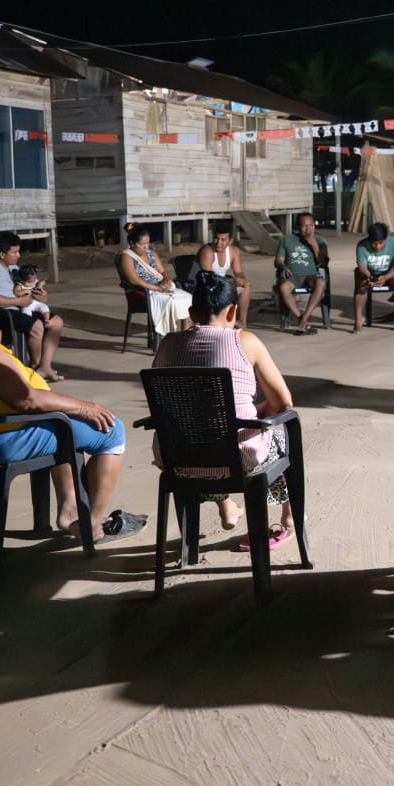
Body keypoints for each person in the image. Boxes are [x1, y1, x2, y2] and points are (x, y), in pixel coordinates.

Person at [0, 273, 142, 544]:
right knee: (111, 430)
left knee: (65, 419)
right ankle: (93, 523)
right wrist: (84, 407)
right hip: (9, 436)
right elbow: (26, 400)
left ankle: (70, 506)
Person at [153, 271, 300, 551]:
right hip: (236, 459)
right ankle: (289, 517)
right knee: (278, 437)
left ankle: (226, 506)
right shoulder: (245, 342)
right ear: (232, 311)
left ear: (192, 313)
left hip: (177, 459)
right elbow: (283, 402)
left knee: (203, 433)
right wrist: (255, 414)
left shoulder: (168, 344)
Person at [0, 230, 64, 382]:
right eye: (15, 252)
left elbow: (26, 288)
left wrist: (40, 296)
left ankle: (45, 366)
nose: (18, 255)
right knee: (37, 326)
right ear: (2, 254)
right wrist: (18, 302)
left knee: (56, 322)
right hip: (3, 311)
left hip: (23, 308)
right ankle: (34, 367)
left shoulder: (13, 268)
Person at [118, 226, 194, 340]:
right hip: (143, 292)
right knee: (171, 302)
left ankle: (185, 337)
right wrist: (156, 288)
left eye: (147, 243)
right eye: (142, 244)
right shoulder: (126, 256)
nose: (146, 247)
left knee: (188, 298)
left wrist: (166, 280)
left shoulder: (151, 253)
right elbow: (133, 280)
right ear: (132, 243)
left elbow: (163, 271)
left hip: (160, 288)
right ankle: (169, 338)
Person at [274, 213, 330, 335]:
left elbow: (324, 263)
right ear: (298, 227)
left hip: (311, 275)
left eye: (311, 225)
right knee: (283, 287)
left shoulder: (320, 241)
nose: (308, 229)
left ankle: (305, 317)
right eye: (304, 226)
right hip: (292, 276)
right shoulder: (287, 240)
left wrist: (313, 245)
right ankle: (300, 318)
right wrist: (283, 267)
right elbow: (278, 260)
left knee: (320, 283)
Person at [353, 222, 394, 332]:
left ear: (386, 238)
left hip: (390, 275)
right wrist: (370, 278)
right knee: (360, 280)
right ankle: (358, 318)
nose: (378, 247)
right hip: (371, 274)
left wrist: (386, 277)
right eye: (374, 243)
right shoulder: (362, 246)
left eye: (381, 243)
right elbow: (362, 267)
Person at [198, 229, 251, 327]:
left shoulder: (233, 251)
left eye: (223, 240)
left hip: (223, 284)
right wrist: (230, 281)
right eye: (216, 239)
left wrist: (241, 279)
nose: (219, 243)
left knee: (245, 287)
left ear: (230, 241)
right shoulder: (207, 251)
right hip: (208, 286)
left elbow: (239, 272)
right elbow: (208, 278)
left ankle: (241, 323)